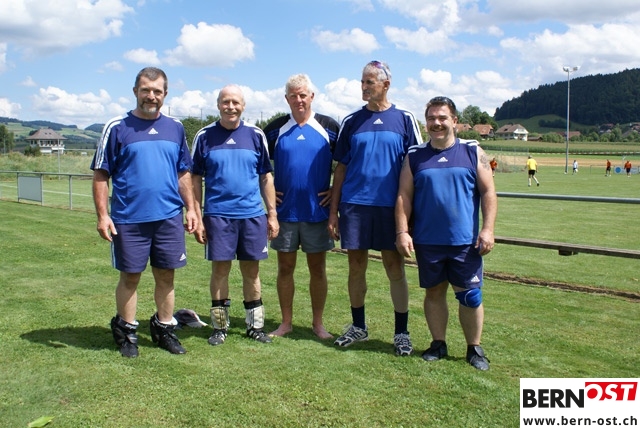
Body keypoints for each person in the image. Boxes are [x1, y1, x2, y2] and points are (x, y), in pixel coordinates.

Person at [91, 66, 198, 358]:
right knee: (130, 277)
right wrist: (103, 215)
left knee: (166, 276)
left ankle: (164, 329)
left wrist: (191, 208)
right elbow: (101, 174)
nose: (151, 96)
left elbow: (183, 172)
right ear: (135, 91)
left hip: (168, 218)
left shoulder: (175, 128)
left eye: (157, 91)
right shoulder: (117, 127)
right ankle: (126, 333)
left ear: (165, 94)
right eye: (146, 90)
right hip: (129, 220)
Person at [328, 60, 423, 356]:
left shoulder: (404, 119)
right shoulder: (351, 121)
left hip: (391, 208)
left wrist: (412, 214)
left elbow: (417, 166)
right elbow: (341, 169)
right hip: (355, 206)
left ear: (386, 85)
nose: (364, 87)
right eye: (362, 81)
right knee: (356, 267)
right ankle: (358, 326)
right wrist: (333, 212)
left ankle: (402, 333)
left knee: (395, 268)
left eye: (369, 82)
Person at [395, 96, 497, 370]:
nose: (436, 123)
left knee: (470, 296)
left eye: (442, 118)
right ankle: (438, 343)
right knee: (434, 293)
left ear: (454, 121)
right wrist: (402, 231)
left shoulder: (472, 151)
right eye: (431, 118)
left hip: (465, 242)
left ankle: (474, 348)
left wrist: (488, 229)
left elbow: (488, 191)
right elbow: (404, 196)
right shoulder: (415, 155)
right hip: (428, 241)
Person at [191, 84, 279, 346]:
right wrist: (196, 214)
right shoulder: (204, 136)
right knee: (220, 271)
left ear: (243, 106)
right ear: (218, 105)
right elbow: (194, 178)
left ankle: (255, 326)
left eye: (235, 102)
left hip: (252, 215)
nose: (231, 107)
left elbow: (266, 177)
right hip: (218, 216)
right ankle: (219, 327)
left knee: (252, 272)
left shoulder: (255, 135)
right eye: (226, 102)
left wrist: (272, 214)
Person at [263, 74, 339, 340]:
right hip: (284, 214)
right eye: (293, 96)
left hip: (317, 212)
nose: (298, 100)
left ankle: (318, 324)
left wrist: (335, 192)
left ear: (311, 96)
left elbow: (345, 164)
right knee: (285, 268)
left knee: (317, 269)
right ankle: (286, 323)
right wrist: (268, 196)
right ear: (287, 99)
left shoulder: (329, 127)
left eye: (303, 95)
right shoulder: (275, 129)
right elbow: (259, 167)